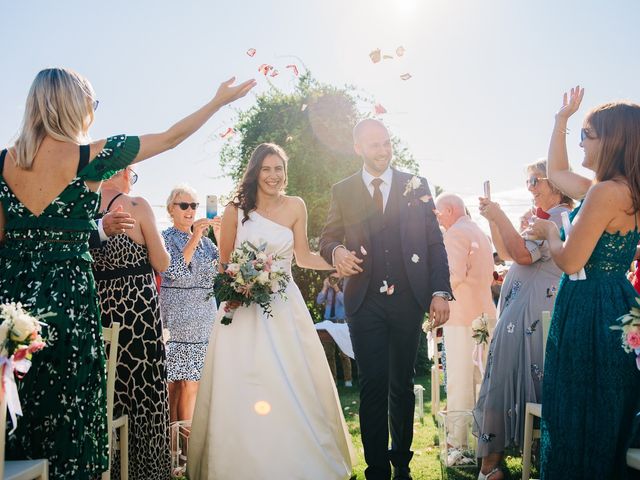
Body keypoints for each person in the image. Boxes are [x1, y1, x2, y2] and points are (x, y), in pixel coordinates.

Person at [0, 66, 255, 479]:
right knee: (71, 413)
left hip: (13, 305)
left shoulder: (3, 166)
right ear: (74, 107)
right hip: (69, 301)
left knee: (17, 411)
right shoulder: (91, 158)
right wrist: (216, 102)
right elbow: (170, 138)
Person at [187, 143, 355, 479]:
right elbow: (225, 263)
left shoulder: (296, 206)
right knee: (244, 378)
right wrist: (234, 290)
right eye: (266, 169)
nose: (273, 176)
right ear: (255, 172)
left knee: (291, 376)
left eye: (278, 169)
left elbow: (303, 257)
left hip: (284, 305)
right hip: (242, 307)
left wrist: (337, 261)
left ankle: (297, 456)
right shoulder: (237, 209)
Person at [319, 119, 452, 480]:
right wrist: (338, 252)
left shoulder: (416, 184)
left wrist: (440, 290)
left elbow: (434, 243)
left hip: (408, 299)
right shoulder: (343, 190)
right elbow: (327, 238)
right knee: (373, 385)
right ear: (358, 148)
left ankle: (402, 466)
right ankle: (376, 469)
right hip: (364, 301)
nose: (383, 150)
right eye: (374, 145)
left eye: (387, 143)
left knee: (402, 385)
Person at [526, 86, 640, 479]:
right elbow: (556, 173)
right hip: (620, 302)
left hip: (588, 305)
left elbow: (570, 258)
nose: (581, 144)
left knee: (578, 405)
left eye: (586, 136)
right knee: (609, 406)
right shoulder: (626, 191)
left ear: (612, 140)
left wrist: (549, 232)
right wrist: (561, 121)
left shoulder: (603, 193)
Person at [473, 159, 573, 480]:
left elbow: (521, 255)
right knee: (506, 377)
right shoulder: (544, 216)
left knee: (503, 379)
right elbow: (504, 251)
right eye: (528, 182)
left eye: (534, 181)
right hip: (521, 309)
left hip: (529, 315)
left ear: (556, 185)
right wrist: (494, 220)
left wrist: (502, 216)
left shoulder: (559, 216)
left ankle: (491, 466)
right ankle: (501, 462)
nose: (529, 188)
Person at [91, 166, 172, 480]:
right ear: (125, 172)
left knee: (109, 393)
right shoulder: (136, 204)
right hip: (137, 312)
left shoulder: (85, 206)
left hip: (99, 307)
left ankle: (107, 468)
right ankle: (146, 472)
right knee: (145, 394)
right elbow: (161, 262)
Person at [434, 193, 496, 443]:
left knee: (460, 381)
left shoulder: (454, 234)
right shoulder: (479, 232)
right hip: (485, 314)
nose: (437, 220)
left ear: (449, 210)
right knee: (482, 380)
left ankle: (459, 442)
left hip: (461, 319)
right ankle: (483, 438)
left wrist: (433, 293)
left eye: (438, 213)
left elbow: (453, 276)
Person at [160, 184, 219, 423]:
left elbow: (224, 270)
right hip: (176, 318)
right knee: (173, 385)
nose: (190, 210)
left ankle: (187, 446)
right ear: (170, 209)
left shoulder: (208, 244)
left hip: (204, 318)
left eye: (193, 205)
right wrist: (195, 236)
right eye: (184, 205)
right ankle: (171, 444)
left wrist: (220, 232)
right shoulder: (164, 238)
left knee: (194, 384)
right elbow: (173, 270)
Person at [316, 271, 353, 387]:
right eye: (332, 278)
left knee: (344, 354)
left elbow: (346, 303)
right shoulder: (328, 291)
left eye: (336, 278)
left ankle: (348, 381)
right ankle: (333, 382)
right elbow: (319, 301)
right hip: (328, 324)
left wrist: (336, 288)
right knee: (329, 354)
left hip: (341, 323)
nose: (334, 280)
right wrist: (324, 287)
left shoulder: (344, 289)